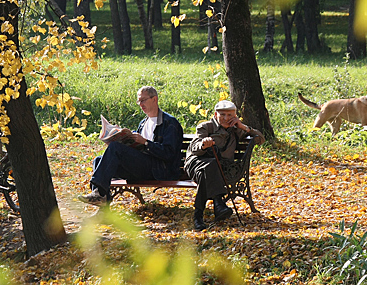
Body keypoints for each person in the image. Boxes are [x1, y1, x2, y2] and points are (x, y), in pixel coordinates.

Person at [79, 86, 184, 205]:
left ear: (154, 99)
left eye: (143, 100)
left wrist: (145, 143)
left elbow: (169, 153)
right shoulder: (144, 122)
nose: (140, 104)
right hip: (141, 167)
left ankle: (99, 194)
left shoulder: (169, 123)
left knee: (115, 148)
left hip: (159, 170)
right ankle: (101, 202)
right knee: (98, 160)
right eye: (139, 101)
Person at [184, 100, 265, 231]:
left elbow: (260, 139)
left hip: (216, 169)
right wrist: (204, 144)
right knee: (210, 166)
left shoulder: (236, 130)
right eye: (222, 114)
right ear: (216, 114)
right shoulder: (206, 127)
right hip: (196, 163)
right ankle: (218, 203)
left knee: (207, 171)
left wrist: (243, 127)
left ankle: (198, 216)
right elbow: (194, 149)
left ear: (235, 116)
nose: (226, 118)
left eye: (229, 115)